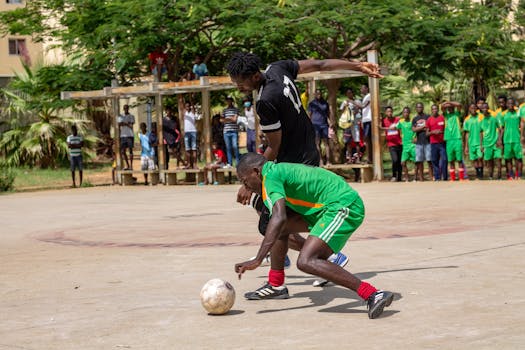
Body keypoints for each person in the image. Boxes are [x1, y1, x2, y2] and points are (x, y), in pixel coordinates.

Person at [226, 52, 382, 297]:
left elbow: (274, 147)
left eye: (240, 83)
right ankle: (281, 277)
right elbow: (319, 64)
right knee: (274, 218)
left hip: (293, 161)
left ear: (254, 76)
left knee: (273, 221)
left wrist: (251, 179)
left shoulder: (266, 101)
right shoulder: (277, 68)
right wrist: (357, 66)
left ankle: (316, 259)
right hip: (309, 151)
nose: (238, 87)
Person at [235, 153, 394, 319]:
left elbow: (279, 216)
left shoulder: (271, 177)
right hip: (324, 208)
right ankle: (276, 285)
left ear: (256, 172)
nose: (246, 187)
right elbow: (279, 221)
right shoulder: (272, 173)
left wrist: (258, 259)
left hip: (343, 206)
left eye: (245, 181)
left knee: (306, 261)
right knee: (279, 229)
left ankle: (373, 294)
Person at [441, 101, 465, 181]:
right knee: (450, 160)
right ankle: (452, 178)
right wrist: (446, 104)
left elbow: (459, 104)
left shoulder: (457, 114)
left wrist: (449, 102)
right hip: (448, 139)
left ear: (453, 108)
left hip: (457, 138)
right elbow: (442, 107)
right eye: (448, 108)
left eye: (451, 107)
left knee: (459, 159)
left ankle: (461, 178)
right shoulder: (445, 115)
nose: (449, 108)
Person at [501, 98, 524, 180]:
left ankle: (519, 175)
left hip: (516, 139)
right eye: (509, 103)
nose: (510, 105)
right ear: (506, 104)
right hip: (507, 140)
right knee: (508, 159)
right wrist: (500, 139)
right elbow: (502, 128)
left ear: (514, 104)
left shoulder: (518, 113)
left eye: (512, 103)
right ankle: (511, 175)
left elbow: (522, 124)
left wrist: (522, 136)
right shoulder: (503, 114)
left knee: (518, 158)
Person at [307, 89, 332, 166]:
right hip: (315, 125)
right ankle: (320, 161)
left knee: (326, 143)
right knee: (317, 143)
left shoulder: (325, 103)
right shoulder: (312, 104)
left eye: (320, 93)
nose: (319, 95)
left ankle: (328, 161)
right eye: (317, 94)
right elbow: (309, 115)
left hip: (324, 125)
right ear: (315, 94)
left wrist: (330, 122)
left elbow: (329, 114)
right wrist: (308, 125)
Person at [339, 88, 363, 165]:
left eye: (351, 93)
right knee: (348, 142)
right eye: (348, 93)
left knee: (357, 141)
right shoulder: (344, 102)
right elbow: (341, 112)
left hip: (355, 124)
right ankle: (349, 159)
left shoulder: (357, 101)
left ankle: (358, 159)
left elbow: (360, 109)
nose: (349, 94)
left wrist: (353, 107)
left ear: (353, 93)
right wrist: (345, 106)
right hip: (347, 125)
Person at [480, 102, 503, 180]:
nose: (485, 109)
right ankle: (490, 176)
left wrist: (499, 139)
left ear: (488, 108)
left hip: (496, 142)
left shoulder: (493, 118)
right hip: (486, 144)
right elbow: (480, 133)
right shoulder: (481, 120)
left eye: (486, 108)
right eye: (483, 108)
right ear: (481, 109)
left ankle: (499, 176)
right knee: (489, 161)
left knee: (499, 159)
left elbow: (500, 129)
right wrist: (481, 145)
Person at [379, 106, 402, 182]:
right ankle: (394, 175)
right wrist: (380, 119)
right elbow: (380, 127)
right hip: (391, 144)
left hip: (399, 143)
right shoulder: (384, 121)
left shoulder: (397, 119)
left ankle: (399, 177)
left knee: (399, 161)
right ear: (386, 113)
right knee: (395, 160)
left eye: (391, 111)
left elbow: (401, 127)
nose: (390, 113)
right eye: (388, 111)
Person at [412, 102, 433, 181]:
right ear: (416, 109)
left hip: (427, 142)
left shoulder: (427, 117)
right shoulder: (415, 119)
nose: (419, 108)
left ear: (423, 108)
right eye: (417, 107)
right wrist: (423, 127)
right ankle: (421, 178)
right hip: (419, 143)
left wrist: (419, 128)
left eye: (420, 107)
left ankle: (431, 177)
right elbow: (414, 129)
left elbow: (429, 128)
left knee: (429, 161)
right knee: (420, 161)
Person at [426, 104, 447, 181]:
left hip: (442, 143)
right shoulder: (429, 120)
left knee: (444, 159)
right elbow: (427, 134)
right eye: (433, 109)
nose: (434, 110)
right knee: (435, 160)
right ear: (431, 110)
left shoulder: (442, 118)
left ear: (438, 109)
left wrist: (441, 132)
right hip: (433, 143)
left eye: (436, 109)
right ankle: (437, 177)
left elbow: (446, 129)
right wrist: (433, 132)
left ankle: (445, 177)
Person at [463, 103, 484, 179]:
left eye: (475, 108)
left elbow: (481, 132)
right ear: (469, 109)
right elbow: (467, 133)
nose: (473, 109)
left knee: (480, 158)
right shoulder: (467, 119)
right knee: (474, 159)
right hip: (471, 143)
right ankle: (477, 174)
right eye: (472, 108)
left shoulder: (481, 117)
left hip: (479, 142)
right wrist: (466, 146)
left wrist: (482, 144)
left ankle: (481, 174)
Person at [395, 107, 416, 182]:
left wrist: (416, 138)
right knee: (403, 162)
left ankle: (415, 178)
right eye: (404, 112)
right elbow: (394, 127)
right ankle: (407, 178)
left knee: (415, 162)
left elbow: (416, 129)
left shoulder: (413, 121)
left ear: (409, 113)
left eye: (407, 112)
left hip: (413, 145)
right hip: (405, 145)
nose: (405, 114)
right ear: (403, 113)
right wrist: (382, 128)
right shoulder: (400, 121)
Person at [220, 96, 240, 167]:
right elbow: (221, 120)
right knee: (228, 148)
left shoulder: (236, 109)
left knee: (235, 147)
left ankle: (238, 163)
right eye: (227, 100)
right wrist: (231, 118)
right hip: (226, 131)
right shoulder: (224, 110)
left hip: (234, 131)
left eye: (229, 100)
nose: (228, 102)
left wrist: (227, 119)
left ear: (232, 101)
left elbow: (235, 120)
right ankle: (230, 163)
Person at [118, 104, 135, 170]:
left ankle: (131, 165)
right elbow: (119, 124)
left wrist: (124, 123)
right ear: (123, 109)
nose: (125, 109)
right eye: (124, 108)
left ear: (128, 108)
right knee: (123, 151)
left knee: (130, 150)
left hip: (130, 135)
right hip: (123, 135)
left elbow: (131, 124)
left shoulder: (131, 116)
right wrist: (127, 123)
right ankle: (127, 165)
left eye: (126, 108)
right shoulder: (120, 116)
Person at [359, 85, 373, 163]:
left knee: (367, 139)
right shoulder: (365, 97)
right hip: (365, 120)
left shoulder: (369, 96)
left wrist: (352, 102)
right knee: (367, 139)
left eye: (362, 88)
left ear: (366, 88)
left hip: (368, 120)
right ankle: (369, 157)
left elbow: (363, 106)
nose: (361, 90)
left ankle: (369, 158)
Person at [183, 102, 198, 169]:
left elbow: (192, 105)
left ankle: (194, 164)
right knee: (187, 149)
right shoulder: (184, 113)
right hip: (186, 132)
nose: (187, 107)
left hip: (193, 131)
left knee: (194, 148)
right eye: (186, 106)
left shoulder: (193, 113)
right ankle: (189, 163)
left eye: (189, 106)